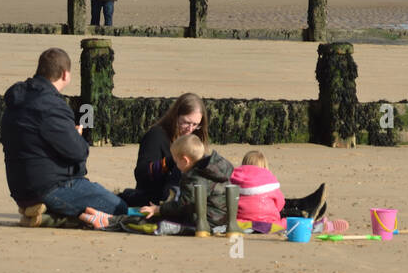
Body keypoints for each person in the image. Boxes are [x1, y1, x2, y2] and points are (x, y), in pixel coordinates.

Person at [119, 93, 328, 219]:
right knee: (226, 204)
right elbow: (141, 174)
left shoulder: (193, 136)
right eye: (186, 122)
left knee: (226, 189)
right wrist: (173, 162)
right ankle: (294, 210)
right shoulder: (156, 136)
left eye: (195, 124)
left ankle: (296, 205)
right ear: (175, 116)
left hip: (190, 193)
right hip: (162, 197)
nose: (190, 129)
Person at [1, 47, 127, 229]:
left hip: (19, 188)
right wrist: (76, 136)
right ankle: (51, 218)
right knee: (118, 207)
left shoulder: (15, 101)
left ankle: (42, 211)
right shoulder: (52, 106)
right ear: (65, 74)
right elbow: (78, 153)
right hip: (48, 187)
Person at [232, 150, 348, 234]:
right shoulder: (269, 182)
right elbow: (280, 204)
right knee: (293, 223)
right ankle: (320, 223)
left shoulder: (235, 181)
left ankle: (306, 207)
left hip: (242, 222)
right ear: (265, 168)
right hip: (269, 223)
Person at [141, 134, 235, 232]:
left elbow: (184, 205)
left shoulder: (195, 178)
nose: (176, 165)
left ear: (185, 161)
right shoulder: (214, 168)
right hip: (225, 218)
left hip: (206, 221)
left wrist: (159, 209)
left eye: (176, 162)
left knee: (163, 221)